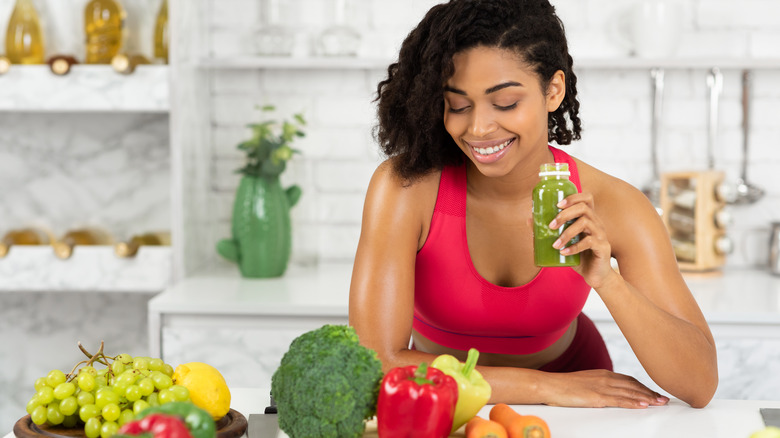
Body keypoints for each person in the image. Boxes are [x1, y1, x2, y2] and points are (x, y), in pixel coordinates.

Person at [348, 0, 717, 409]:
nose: (479, 128)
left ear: (553, 90)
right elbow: (377, 362)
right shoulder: (406, 189)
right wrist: (545, 388)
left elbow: (699, 384)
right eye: (457, 105)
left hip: (579, 401)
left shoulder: (614, 203)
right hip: (445, 399)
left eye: (505, 103)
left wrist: (608, 282)